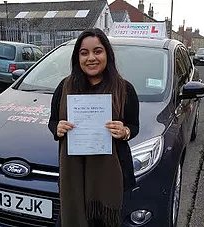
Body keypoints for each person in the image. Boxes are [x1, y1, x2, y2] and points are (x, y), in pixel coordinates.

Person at [48, 28, 139, 227]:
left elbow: (134, 126)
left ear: (107, 54)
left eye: (97, 51)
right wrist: (58, 128)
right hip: (74, 176)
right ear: (77, 57)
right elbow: (52, 122)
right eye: (84, 53)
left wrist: (125, 132)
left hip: (111, 178)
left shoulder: (125, 89)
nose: (91, 58)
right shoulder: (64, 87)